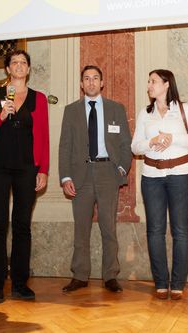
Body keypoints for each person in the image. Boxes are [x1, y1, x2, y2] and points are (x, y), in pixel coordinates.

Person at [0, 49, 49, 303]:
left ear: (28, 69)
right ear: (8, 69)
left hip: (27, 168)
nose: (19, 66)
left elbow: (43, 136)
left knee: (22, 226)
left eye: (23, 62)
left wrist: (44, 170)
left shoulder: (39, 99)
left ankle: (19, 284)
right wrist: (0, 116)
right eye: (14, 62)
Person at [131, 69, 188, 300]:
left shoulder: (184, 109)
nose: (149, 85)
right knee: (155, 230)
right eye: (149, 81)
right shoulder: (146, 113)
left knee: (181, 230)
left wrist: (173, 138)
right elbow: (135, 147)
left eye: (153, 81)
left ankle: (178, 283)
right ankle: (161, 282)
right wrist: (151, 141)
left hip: (181, 174)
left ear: (165, 84)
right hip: (151, 176)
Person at [58, 65, 132, 293]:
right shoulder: (71, 111)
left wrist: (121, 170)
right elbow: (65, 146)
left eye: (95, 78)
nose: (91, 82)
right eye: (86, 79)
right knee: (81, 229)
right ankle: (80, 275)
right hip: (80, 175)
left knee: (108, 228)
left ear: (102, 83)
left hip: (107, 174)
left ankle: (110, 275)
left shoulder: (115, 109)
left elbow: (124, 143)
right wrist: (65, 177)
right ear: (81, 84)